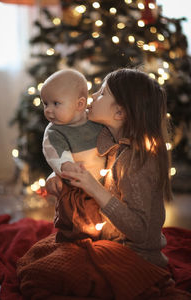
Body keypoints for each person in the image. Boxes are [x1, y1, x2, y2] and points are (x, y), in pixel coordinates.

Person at [18, 68, 191, 300]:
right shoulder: (107, 136)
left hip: (134, 257)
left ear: (119, 112)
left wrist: (93, 187)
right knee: (38, 255)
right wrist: (56, 175)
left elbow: (139, 231)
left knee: (41, 275)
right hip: (107, 239)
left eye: (101, 93)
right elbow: (77, 159)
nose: (92, 96)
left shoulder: (137, 162)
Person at [41, 69, 106, 241]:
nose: (48, 110)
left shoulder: (95, 120)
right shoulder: (54, 131)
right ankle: (72, 243)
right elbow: (55, 154)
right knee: (75, 223)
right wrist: (66, 166)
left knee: (104, 222)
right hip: (75, 189)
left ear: (79, 104)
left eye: (56, 103)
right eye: (45, 103)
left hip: (103, 185)